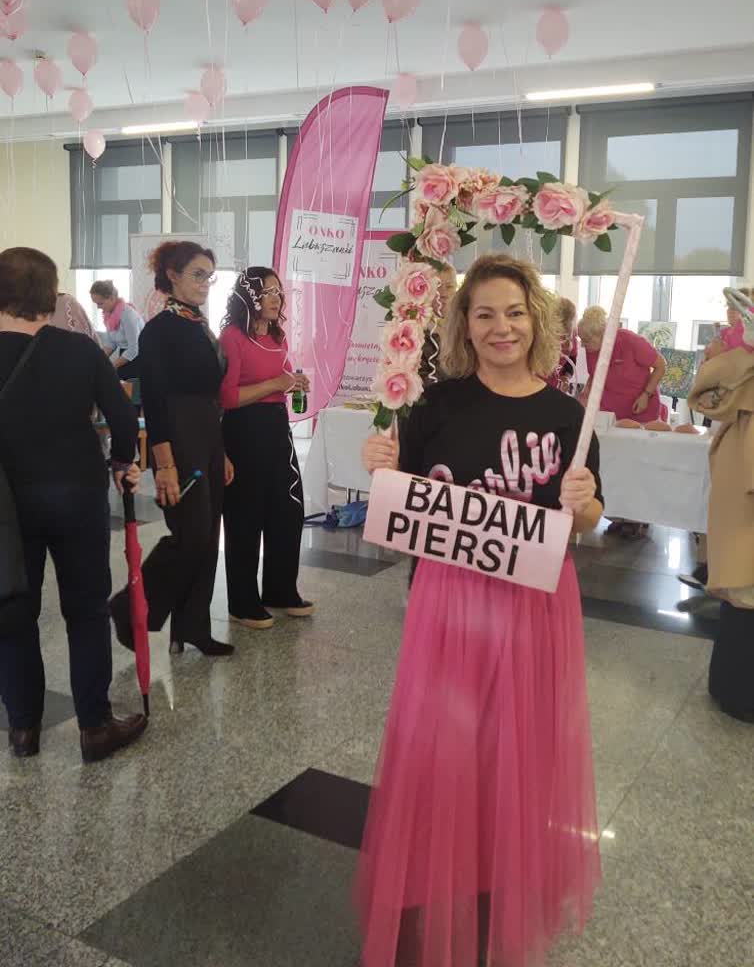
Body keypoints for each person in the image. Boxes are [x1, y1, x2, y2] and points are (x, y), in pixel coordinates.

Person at [357, 254, 603, 967]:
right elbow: (402, 509)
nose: (503, 327)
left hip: (534, 607)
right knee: (444, 744)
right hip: (449, 603)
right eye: (486, 313)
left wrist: (586, 504)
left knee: (517, 747)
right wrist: (381, 470)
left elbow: (585, 523)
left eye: (516, 313)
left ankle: (502, 868)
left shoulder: (568, 416)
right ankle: (443, 866)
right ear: (464, 324)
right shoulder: (433, 406)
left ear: (538, 321)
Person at [0, 247, 147, 763]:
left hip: (7, 505)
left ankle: (23, 729)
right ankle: (94, 726)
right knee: (85, 609)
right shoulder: (80, 350)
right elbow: (123, 419)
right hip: (77, 493)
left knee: (13, 610)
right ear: (51, 294)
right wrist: (123, 462)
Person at [109, 241, 234, 657]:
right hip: (178, 437)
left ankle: (192, 625)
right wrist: (164, 464)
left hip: (207, 434)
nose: (205, 283)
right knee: (191, 535)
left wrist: (221, 451)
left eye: (210, 276)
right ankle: (128, 608)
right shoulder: (159, 329)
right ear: (173, 275)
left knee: (208, 534)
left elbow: (210, 394)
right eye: (198, 275)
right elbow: (156, 400)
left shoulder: (198, 323)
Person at [218, 267, 313, 628]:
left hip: (276, 428)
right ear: (250, 297)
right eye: (268, 292)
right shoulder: (232, 337)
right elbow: (227, 397)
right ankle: (242, 602)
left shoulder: (276, 336)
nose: (277, 298)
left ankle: (280, 589)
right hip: (244, 431)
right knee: (246, 516)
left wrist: (293, 383)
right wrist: (276, 384)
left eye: (278, 292)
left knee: (287, 510)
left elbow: (281, 379)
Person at [689, 331, 754, 724]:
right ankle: (735, 691)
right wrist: (744, 352)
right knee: (744, 590)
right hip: (743, 486)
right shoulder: (738, 355)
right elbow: (705, 394)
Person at [578, 307, 666, 539]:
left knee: (638, 465)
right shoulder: (592, 349)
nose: (584, 345)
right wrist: (585, 394)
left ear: (603, 335)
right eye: (582, 340)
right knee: (615, 464)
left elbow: (661, 365)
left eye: (587, 340)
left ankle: (638, 517)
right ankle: (618, 516)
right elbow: (595, 374)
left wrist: (646, 394)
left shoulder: (630, 341)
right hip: (612, 414)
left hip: (641, 410)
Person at [90, 280, 144, 384]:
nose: (98, 307)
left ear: (111, 298)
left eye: (100, 303)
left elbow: (134, 349)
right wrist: (98, 361)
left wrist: (111, 366)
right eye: (96, 304)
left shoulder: (128, 315)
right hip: (125, 355)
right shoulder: (109, 316)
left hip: (138, 358)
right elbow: (111, 344)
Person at [418, 263, 457, 386]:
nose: (444, 294)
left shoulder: (467, 325)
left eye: (449, 286)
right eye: (437, 287)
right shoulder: (417, 332)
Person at [547, 295, 579, 393]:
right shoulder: (540, 338)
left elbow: (571, 362)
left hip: (555, 388)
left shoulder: (572, 337)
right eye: (558, 333)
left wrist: (566, 377)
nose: (561, 340)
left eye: (564, 335)